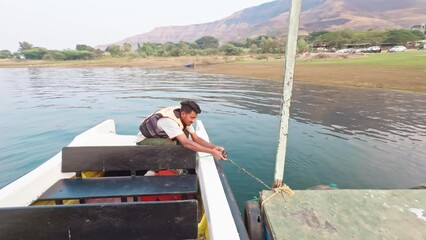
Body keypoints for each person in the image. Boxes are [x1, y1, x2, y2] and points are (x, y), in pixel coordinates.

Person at [139, 100, 227, 160]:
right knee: (171, 144)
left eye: (195, 118)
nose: (193, 121)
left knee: (185, 133)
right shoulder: (170, 121)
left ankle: (177, 158)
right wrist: (212, 152)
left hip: (162, 134)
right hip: (144, 139)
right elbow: (186, 143)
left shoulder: (184, 116)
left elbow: (196, 139)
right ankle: (160, 168)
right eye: (192, 118)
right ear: (183, 114)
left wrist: (214, 147)